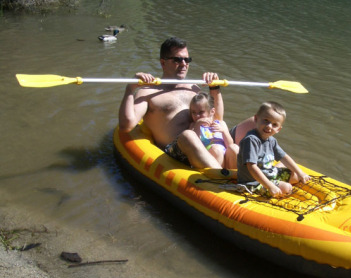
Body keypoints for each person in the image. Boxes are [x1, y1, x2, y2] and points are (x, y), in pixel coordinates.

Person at [118, 37, 223, 169]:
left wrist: (215, 88)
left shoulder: (194, 88)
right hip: (175, 151)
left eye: (187, 60)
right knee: (187, 136)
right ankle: (221, 177)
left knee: (249, 125)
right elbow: (125, 126)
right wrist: (130, 89)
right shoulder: (147, 92)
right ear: (163, 63)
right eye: (178, 60)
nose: (184, 64)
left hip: (203, 143)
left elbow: (217, 119)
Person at [237, 101, 311, 197]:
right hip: (253, 182)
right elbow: (251, 167)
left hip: (269, 174)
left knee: (296, 176)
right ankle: (276, 184)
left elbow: (284, 157)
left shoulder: (271, 140)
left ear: (278, 129)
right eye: (266, 120)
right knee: (287, 188)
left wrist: (300, 173)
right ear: (256, 119)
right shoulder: (251, 140)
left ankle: (279, 177)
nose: (269, 126)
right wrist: (270, 186)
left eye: (274, 124)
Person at [189, 92, 238, 169]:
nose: (197, 116)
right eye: (193, 112)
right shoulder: (194, 126)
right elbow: (194, 146)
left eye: (201, 112)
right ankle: (218, 178)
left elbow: (229, 144)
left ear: (212, 111)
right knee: (216, 150)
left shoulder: (221, 124)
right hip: (209, 157)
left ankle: (234, 175)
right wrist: (198, 125)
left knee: (234, 148)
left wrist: (224, 132)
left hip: (225, 156)